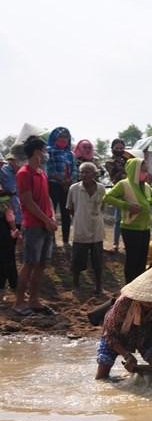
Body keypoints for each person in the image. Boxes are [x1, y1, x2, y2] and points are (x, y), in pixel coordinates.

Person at [94, 265, 152, 380]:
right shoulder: (124, 302)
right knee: (102, 376)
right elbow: (109, 334)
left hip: (143, 331)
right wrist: (126, 355)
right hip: (116, 333)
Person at [11, 137, 57, 316]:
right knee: (29, 263)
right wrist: (46, 220)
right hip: (33, 225)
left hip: (46, 223)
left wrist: (51, 218)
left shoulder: (41, 172)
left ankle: (34, 300)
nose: (46, 152)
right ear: (37, 151)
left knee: (42, 264)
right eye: (44, 149)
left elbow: (47, 199)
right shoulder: (24, 173)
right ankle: (19, 302)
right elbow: (28, 202)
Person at [103, 157, 152, 283]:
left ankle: (139, 285)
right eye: (143, 170)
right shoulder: (124, 184)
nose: (146, 173)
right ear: (135, 170)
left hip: (145, 228)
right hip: (130, 228)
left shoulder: (146, 186)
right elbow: (107, 197)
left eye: (146, 170)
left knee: (142, 259)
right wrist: (127, 205)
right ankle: (129, 285)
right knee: (132, 259)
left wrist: (150, 201)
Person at [66, 162, 105, 295]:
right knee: (77, 260)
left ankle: (99, 286)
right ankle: (76, 285)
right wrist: (80, 218)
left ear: (94, 174)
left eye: (87, 172)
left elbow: (103, 207)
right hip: (80, 229)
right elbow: (71, 209)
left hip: (96, 230)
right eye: (82, 172)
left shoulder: (101, 188)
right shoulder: (74, 188)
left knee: (98, 261)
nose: (84, 174)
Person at [46, 126, 77, 247]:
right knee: (51, 212)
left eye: (66, 137)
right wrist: (61, 180)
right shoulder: (49, 151)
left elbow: (74, 169)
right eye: (61, 137)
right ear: (54, 138)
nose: (64, 139)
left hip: (67, 186)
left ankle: (65, 240)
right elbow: (49, 169)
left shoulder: (70, 153)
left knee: (66, 213)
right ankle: (51, 240)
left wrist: (69, 180)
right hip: (53, 185)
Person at [104, 139, 132, 252]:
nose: (120, 150)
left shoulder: (129, 160)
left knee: (130, 218)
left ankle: (127, 243)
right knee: (118, 218)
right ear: (112, 149)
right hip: (119, 190)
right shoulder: (109, 162)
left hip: (130, 190)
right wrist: (125, 169)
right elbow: (114, 176)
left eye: (122, 148)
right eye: (117, 148)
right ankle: (115, 243)